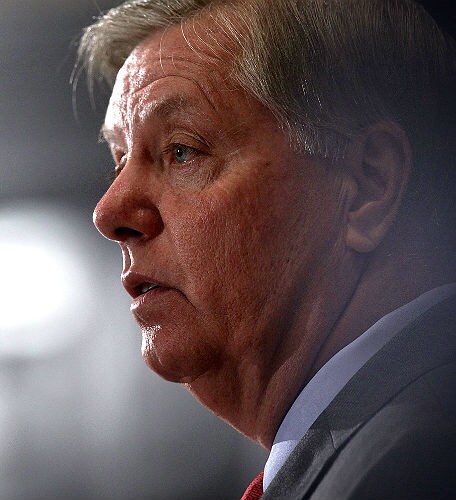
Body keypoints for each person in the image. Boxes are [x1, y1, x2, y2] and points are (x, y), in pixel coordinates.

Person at [76, 0, 456, 498]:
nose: (108, 212)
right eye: (120, 160)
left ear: (368, 185)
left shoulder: (408, 466)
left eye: (182, 150)